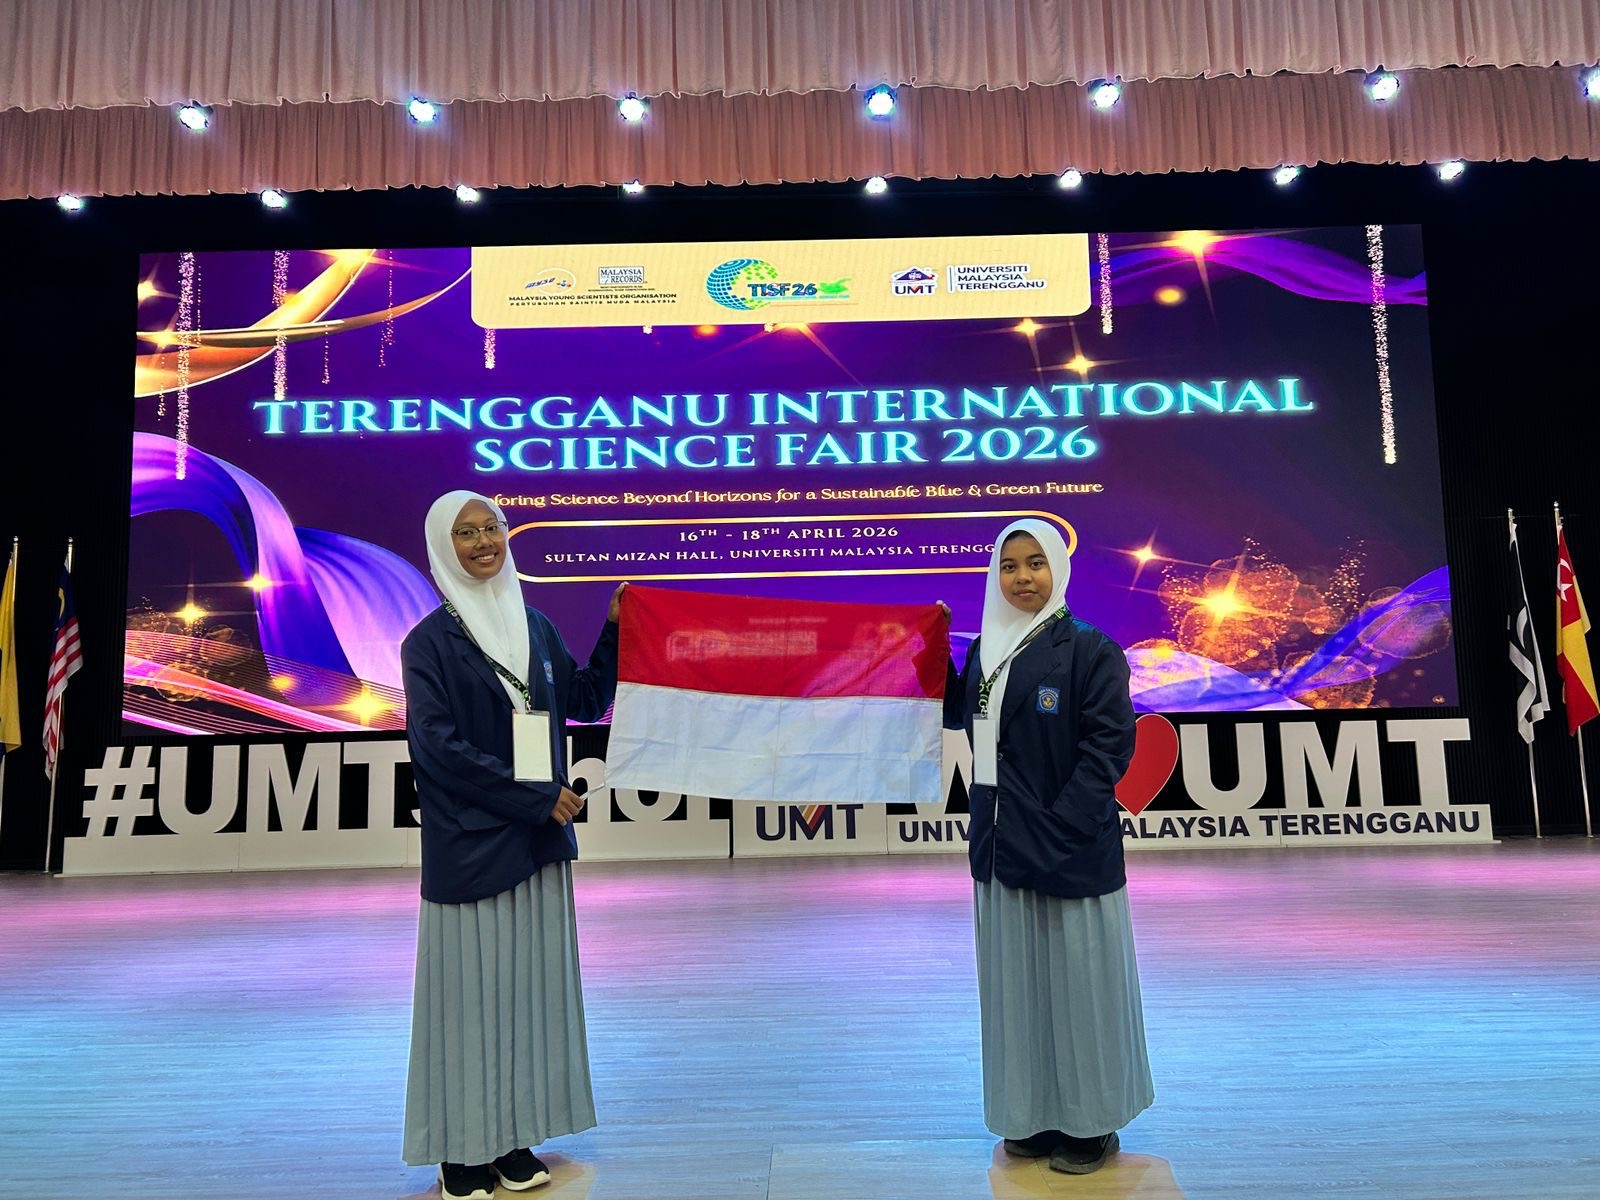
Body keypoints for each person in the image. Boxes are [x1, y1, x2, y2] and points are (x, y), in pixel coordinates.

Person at [400, 489, 624, 1200]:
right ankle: (460, 1151)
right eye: (465, 533)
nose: (483, 543)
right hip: (472, 849)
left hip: (537, 844)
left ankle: (511, 1137)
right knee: (468, 1006)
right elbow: (438, 750)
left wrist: (616, 630)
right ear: (443, 548)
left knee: (526, 1001)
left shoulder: (535, 626)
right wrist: (533, 798)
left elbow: (582, 700)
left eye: (491, 527)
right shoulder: (427, 644)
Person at [943, 517, 1154, 1175]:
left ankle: (1091, 1125)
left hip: (1069, 848)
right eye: (1009, 566)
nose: (1022, 577)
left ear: (1058, 570)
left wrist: (1061, 826)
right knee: (1016, 992)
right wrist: (923, 647)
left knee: (1081, 991)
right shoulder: (985, 650)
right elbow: (959, 718)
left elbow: (1108, 748)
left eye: (1036, 563)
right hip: (1000, 846)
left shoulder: (1090, 649)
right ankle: (1030, 1115)